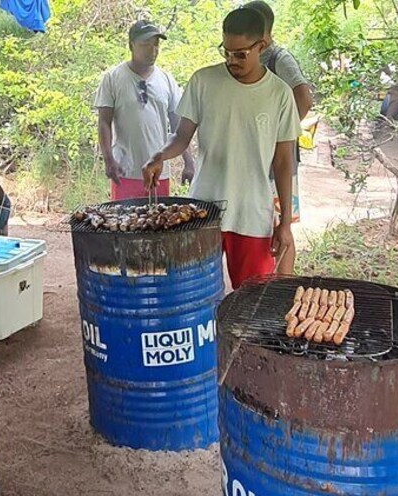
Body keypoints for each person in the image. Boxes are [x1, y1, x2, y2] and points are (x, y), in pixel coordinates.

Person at [143, 7, 300, 289]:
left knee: (253, 298)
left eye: (241, 54)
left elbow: (284, 162)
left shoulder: (279, 94)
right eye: (226, 51)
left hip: (252, 214)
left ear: (261, 46)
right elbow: (181, 137)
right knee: (196, 293)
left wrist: (285, 223)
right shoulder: (203, 81)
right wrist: (159, 156)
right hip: (203, 211)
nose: (232, 60)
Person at [244, 1, 313, 275]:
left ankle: (283, 286)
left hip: (278, 161)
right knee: (260, 223)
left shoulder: (278, 58)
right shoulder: (248, 57)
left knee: (281, 224)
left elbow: (304, 98)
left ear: (263, 30)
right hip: (254, 159)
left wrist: (280, 135)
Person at [95, 20, 193, 201]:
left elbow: (178, 127)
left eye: (156, 45)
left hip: (159, 172)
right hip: (125, 170)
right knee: (124, 223)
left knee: (158, 223)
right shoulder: (113, 78)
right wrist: (109, 160)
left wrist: (189, 162)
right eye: (145, 45)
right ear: (131, 45)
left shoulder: (166, 80)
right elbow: (104, 122)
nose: (152, 50)